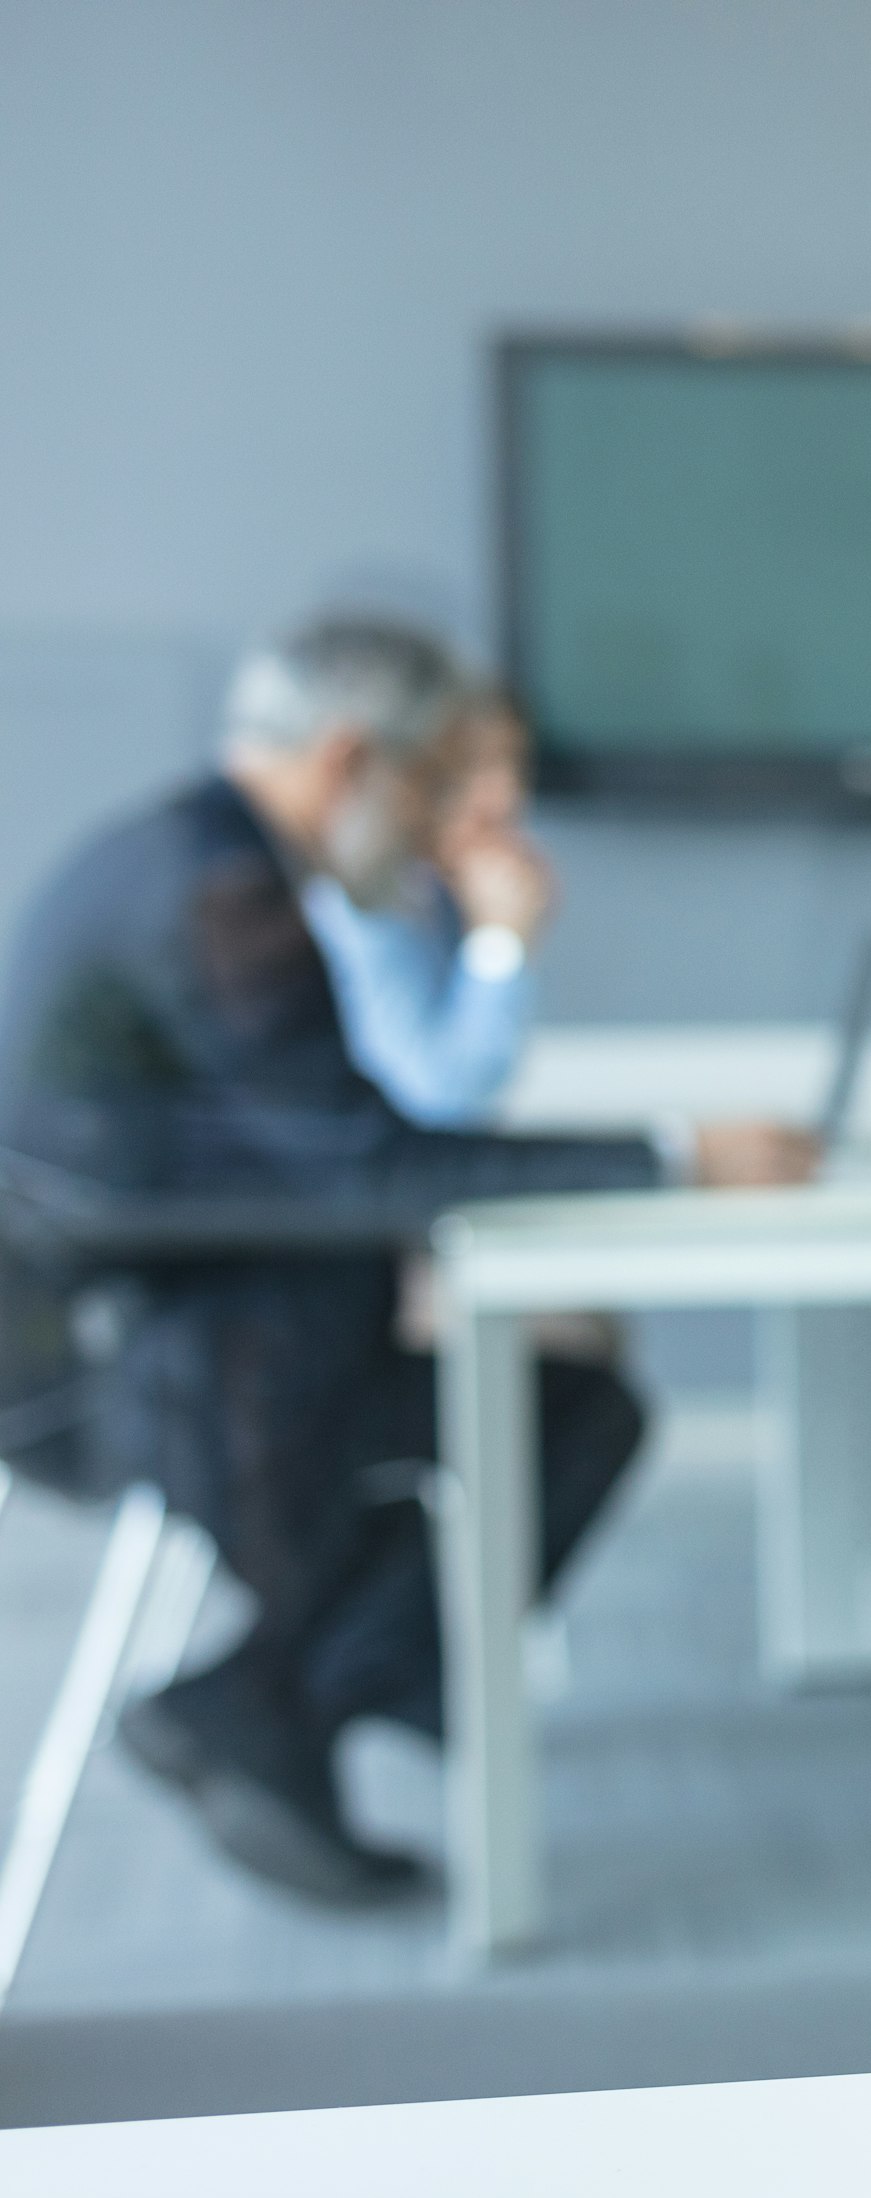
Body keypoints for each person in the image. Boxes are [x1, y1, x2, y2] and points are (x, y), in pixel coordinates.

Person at [0, 617, 816, 1903]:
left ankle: (293, 1698)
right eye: (435, 783)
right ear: (348, 759)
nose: (447, 821)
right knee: (570, 1414)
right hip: (166, 1373)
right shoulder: (225, 900)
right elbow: (375, 1162)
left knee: (561, 1401)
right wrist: (673, 1154)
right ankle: (286, 1696)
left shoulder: (192, 854)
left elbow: (353, 1149)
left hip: (169, 1327)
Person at [295, 685, 557, 1128]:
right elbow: (441, 1103)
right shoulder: (356, 897)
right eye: (473, 766)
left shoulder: (434, 894)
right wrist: (500, 941)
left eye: (515, 765)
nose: (507, 797)